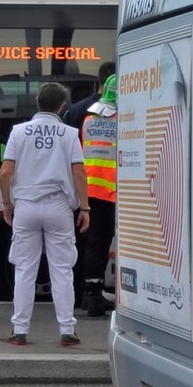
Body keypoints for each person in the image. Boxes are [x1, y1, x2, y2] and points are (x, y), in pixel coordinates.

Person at [0, 82, 90, 347]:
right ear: (62, 106)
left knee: (24, 269)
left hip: (25, 204)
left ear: (38, 102)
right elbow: (79, 173)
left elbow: (5, 172)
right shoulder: (69, 133)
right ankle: (67, 330)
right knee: (62, 269)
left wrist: (7, 203)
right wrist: (84, 207)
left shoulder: (18, 132)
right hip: (58, 206)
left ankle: (19, 330)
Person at [63, 60, 115, 311]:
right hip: (103, 189)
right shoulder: (117, 110)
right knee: (99, 240)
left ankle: (76, 293)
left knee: (79, 240)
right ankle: (92, 294)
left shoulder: (76, 110)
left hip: (76, 187)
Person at [76, 75, 118, 316]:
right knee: (99, 244)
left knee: (92, 243)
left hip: (89, 187)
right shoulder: (121, 119)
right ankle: (93, 297)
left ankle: (88, 294)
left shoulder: (90, 118)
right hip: (108, 190)